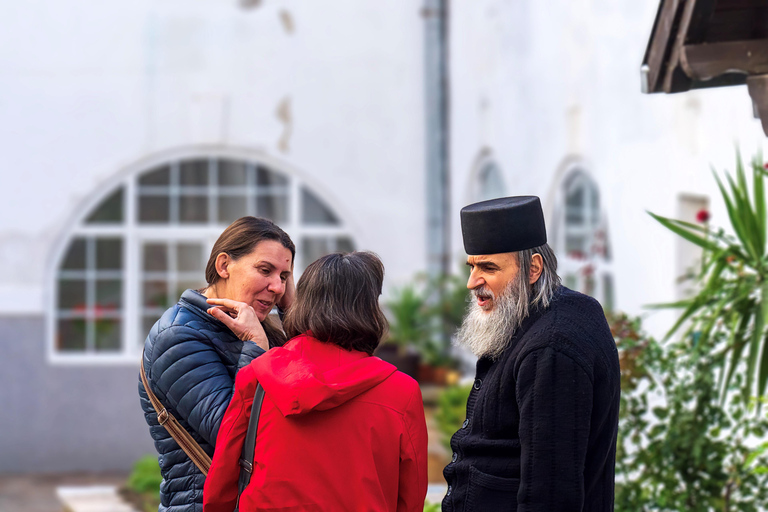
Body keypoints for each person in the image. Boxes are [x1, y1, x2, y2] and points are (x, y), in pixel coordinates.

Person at [203, 252, 428, 512]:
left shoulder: (258, 376)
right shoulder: (401, 391)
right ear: (370, 309)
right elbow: (412, 494)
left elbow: (220, 483)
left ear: (304, 301)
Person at [442, 196, 621, 512]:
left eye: (488, 267)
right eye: (471, 266)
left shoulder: (552, 349)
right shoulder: (545, 314)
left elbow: (551, 494)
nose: (472, 282)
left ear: (533, 268)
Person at [139, 216, 295, 512]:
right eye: (265, 270)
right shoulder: (178, 337)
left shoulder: (253, 326)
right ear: (224, 266)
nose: (277, 287)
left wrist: (293, 311)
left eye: (284, 277)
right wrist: (256, 348)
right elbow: (233, 432)